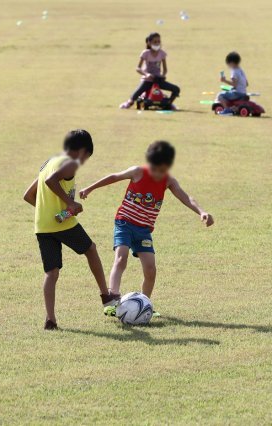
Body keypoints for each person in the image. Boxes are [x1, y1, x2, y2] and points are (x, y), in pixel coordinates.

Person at [79, 141, 214, 312]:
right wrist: (90, 188)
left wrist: (201, 212)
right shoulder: (138, 172)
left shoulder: (168, 181)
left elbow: (186, 197)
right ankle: (112, 300)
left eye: (162, 170)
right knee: (121, 259)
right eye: (155, 169)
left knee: (150, 269)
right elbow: (114, 177)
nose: (158, 174)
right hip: (125, 223)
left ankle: (144, 304)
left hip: (144, 230)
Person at [23, 130, 120, 330]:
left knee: (52, 272)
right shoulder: (70, 163)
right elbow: (52, 181)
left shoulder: (50, 162)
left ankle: (50, 319)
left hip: (44, 225)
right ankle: (106, 295)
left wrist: (54, 212)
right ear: (82, 151)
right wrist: (71, 203)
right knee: (91, 249)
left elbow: (28, 195)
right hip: (63, 225)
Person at [120, 33, 181, 109]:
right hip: (147, 80)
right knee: (137, 92)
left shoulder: (162, 53)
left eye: (159, 41)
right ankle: (129, 103)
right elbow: (138, 68)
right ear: (149, 43)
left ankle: (169, 103)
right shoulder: (145, 53)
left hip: (158, 79)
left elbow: (165, 69)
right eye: (155, 42)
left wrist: (163, 75)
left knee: (176, 89)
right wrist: (146, 74)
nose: (157, 43)